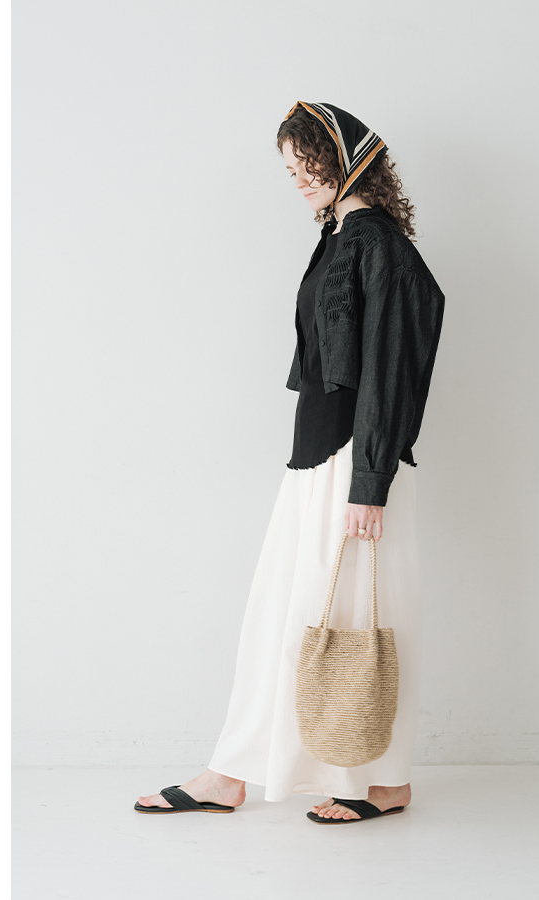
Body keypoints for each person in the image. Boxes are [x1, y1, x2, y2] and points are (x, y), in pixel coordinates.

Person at [135, 101, 445, 823]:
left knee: (355, 624)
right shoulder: (340, 238)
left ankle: (383, 782)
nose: (301, 180)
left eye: (310, 164)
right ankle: (230, 772)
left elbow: (391, 370)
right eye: (291, 170)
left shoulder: (380, 245)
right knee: (283, 616)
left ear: (347, 160)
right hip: (316, 460)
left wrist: (369, 483)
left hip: (354, 465)